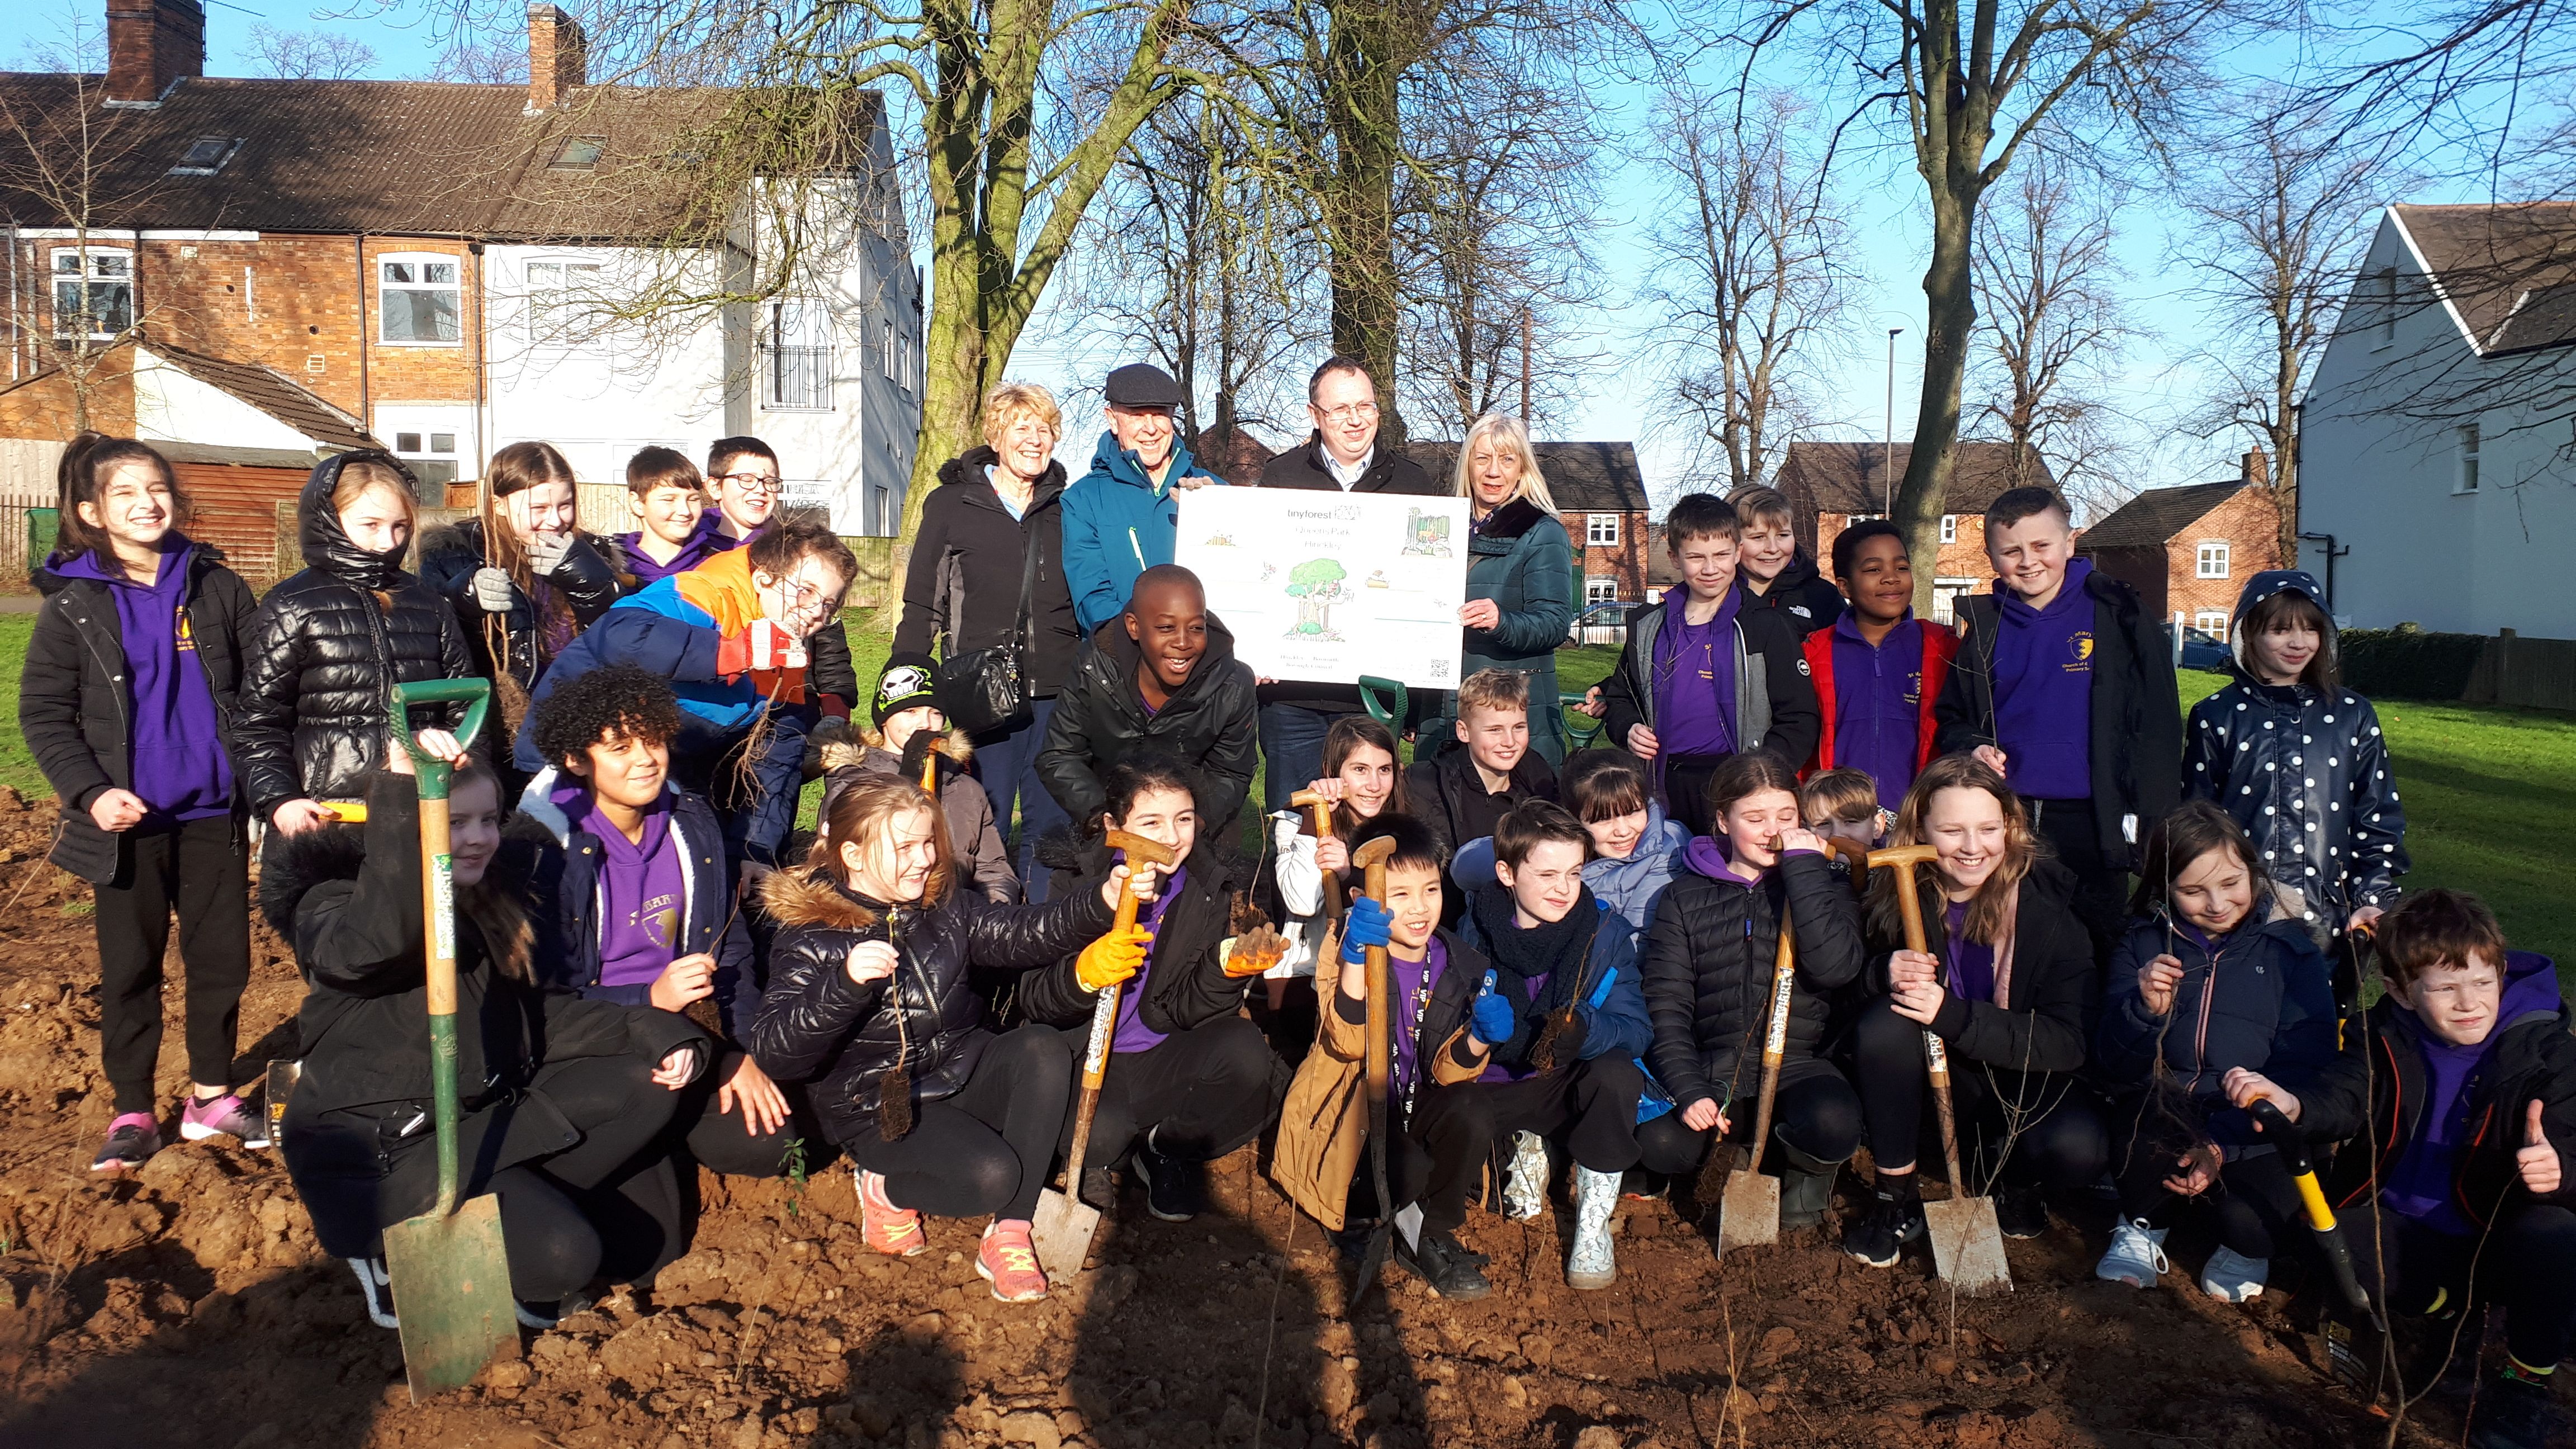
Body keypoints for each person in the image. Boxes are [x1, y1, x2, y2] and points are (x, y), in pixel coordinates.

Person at [269, 749, 709, 1327]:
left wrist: (651, 1025)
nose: (478, 838)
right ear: (406, 822)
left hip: (467, 1128)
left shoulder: (488, 902)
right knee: (563, 1258)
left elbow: (532, 1018)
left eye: (487, 820)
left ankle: (519, 1213)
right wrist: (405, 797)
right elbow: (368, 950)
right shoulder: (333, 903)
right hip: (377, 1156)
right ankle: (383, 1251)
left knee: (644, 1084)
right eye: (454, 822)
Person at [748, 776, 1148, 1301]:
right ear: (854, 854)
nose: (925, 859)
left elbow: (1020, 934)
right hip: (878, 1106)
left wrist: (1101, 900)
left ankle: (1010, 1233)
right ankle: (884, 1187)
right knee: (990, 1175)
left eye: (929, 842)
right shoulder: (810, 935)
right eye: (906, 847)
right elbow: (777, 1052)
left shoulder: (945, 907)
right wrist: (843, 986)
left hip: (962, 1068)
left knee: (1042, 1048)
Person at [2229, 890, 2575, 1449]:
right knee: (2332, 1236)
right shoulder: (2384, 1033)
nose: (2470, 1003)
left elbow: (2572, 1149)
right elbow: (2343, 1093)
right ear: (2401, 991)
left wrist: (2558, 1171)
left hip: (2499, 1238)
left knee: (2556, 1234)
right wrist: (2295, 1105)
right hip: (2414, 1240)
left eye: (2483, 982)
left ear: (2501, 973)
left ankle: (2524, 1382)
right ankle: (2448, 1316)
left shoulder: (2549, 1050)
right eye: (2444, 988)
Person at [22, 435, 262, 1172]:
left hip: (212, 816)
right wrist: (91, 794)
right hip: (128, 829)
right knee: (132, 966)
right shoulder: (76, 608)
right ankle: (132, 1109)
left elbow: (257, 697)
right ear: (93, 511)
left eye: (156, 488)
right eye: (126, 494)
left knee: (221, 960)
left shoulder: (217, 587)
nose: (147, 503)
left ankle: (211, 1097)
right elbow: (44, 714)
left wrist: (260, 788)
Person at [518, 666, 809, 1209]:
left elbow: (733, 949)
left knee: (774, 1143)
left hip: (688, 1030)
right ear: (578, 760)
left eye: (652, 739)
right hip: (596, 1042)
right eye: (620, 747)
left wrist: (739, 1053)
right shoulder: (545, 852)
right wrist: (646, 1001)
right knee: (643, 1115)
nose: (645, 758)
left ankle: (664, 1128)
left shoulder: (691, 823)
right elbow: (541, 1000)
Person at [1842, 754, 2109, 1268]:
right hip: (1933, 1089)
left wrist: (1954, 1016)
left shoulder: (2051, 907)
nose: (1972, 847)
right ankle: (1896, 1198)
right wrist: (1880, 973)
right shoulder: (1894, 890)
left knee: (2078, 1147)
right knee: (1885, 1024)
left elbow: (2068, 1041)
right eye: (1951, 830)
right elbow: (1839, 998)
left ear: (2010, 825)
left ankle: (2014, 1181)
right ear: (1919, 827)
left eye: (1988, 828)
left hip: (2022, 1086)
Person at [1021, 755, 1286, 1222]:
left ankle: (1165, 1147)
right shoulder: (1074, 880)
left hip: (1159, 1050)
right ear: (1113, 825)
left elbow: (1184, 1009)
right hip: (1086, 1052)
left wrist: (1226, 968)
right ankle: (1102, 1154)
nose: (1170, 837)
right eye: (1151, 821)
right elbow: (1035, 998)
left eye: (1184, 819)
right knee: (1102, 1133)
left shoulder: (1206, 886)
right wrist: (1082, 973)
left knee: (1248, 1055)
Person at [2092, 802, 2337, 1301]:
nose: (2217, 903)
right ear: (2164, 888)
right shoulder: (2141, 945)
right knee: (2142, 1126)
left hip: (2253, 1119)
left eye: (2230, 883)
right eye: (2193, 890)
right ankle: (2143, 1224)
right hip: (2168, 1103)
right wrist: (2145, 1013)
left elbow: (2307, 1067)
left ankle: (2242, 1244)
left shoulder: (2293, 953)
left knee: (2252, 1222)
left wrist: (2224, 1145)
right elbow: (2113, 1065)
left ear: (2252, 870)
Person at [515, 515, 856, 868]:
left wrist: (756, 852)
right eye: (805, 591)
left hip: (665, 763)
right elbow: (621, 635)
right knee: (568, 877)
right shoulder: (705, 594)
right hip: (573, 755)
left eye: (828, 605)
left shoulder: (785, 649)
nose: (815, 612)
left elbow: (778, 756)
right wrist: (729, 652)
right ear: (763, 579)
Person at [1934, 486, 2179, 965]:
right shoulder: (1984, 627)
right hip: (2011, 821)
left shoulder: (2117, 615)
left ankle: (2097, 1039)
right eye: (2012, 551)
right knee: (2019, 947)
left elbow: (2158, 725)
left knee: (2099, 947)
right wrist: (1975, 748)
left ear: (2071, 543)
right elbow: (1954, 719)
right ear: (1991, 555)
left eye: (2042, 546)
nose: (2028, 561)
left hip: (2096, 820)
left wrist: (2152, 817)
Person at [1268, 815, 1503, 1300]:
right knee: (1406, 1169)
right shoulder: (1344, 950)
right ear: (1365, 901)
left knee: (1475, 1110)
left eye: (1431, 890)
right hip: (1352, 1120)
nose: (1419, 909)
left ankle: (1431, 1230)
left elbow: (1449, 1072)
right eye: (1399, 896)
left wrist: (1478, 1038)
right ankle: (1356, 1217)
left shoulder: (1454, 962)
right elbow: (1349, 1041)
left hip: (1415, 1111)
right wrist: (1356, 957)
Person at [1637, 752, 1866, 1233]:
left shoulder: (1824, 885)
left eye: (1786, 817)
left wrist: (1804, 874)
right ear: (1723, 820)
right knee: (1662, 1143)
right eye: (1755, 818)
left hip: (1800, 1065)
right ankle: (1737, 1150)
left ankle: (1804, 1180)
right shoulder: (1684, 897)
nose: (1772, 831)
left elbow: (1836, 968)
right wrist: (1689, 1089)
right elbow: (1667, 1004)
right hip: (1718, 1064)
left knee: (1832, 1121)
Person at [1450, 801, 1653, 1290]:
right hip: (1495, 1082)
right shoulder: (1472, 930)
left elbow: (1635, 1028)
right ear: (1506, 873)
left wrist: (1587, 1028)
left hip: (1563, 1078)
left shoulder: (1604, 933)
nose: (1563, 889)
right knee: (1460, 1154)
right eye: (1546, 875)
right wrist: (1478, 1030)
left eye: (1575, 873)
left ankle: (1592, 1223)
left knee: (1617, 1074)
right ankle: (1520, 1146)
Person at [893, 383, 1081, 895]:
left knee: (1049, 823)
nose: (1035, 439)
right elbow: (922, 601)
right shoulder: (953, 504)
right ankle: (981, 926)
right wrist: (904, 687)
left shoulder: (1070, 508)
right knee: (982, 815)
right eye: (1023, 428)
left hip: (1058, 692)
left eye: (1045, 429)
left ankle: (1040, 930)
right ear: (996, 436)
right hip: (983, 691)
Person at [235, 452, 472, 839]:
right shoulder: (294, 605)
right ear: (329, 519)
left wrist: (466, 778)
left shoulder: (429, 603)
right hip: (324, 817)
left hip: (423, 808)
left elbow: (463, 707)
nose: (388, 541)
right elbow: (258, 721)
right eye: (371, 525)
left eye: (399, 526)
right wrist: (279, 800)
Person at [1252, 357, 1445, 812]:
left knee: (1368, 822)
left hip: (1372, 698)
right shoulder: (1280, 478)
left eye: (1365, 406)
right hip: (1292, 699)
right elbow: (1261, 574)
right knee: (1294, 821)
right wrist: (1256, 652)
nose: (1355, 419)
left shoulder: (1414, 483)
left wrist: (1418, 701)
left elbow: (1427, 589)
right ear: (1315, 415)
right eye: (1340, 409)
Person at [2183, 569, 2407, 952]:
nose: (2298, 643)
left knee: (2321, 1011)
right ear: (2249, 632)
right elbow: (2196, 820)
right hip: (2240, 914)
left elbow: (2377, 815)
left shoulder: (2352, 715)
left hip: (2332, 918)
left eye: (2310, 629)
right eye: (2281, 630)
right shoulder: (2217, 715)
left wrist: (2374, 895)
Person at [1598, 493, 1821, 837]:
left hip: (1741, 782)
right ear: (1674, 558)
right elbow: (1620, 697)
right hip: (1665, 782)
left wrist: (1764, 776)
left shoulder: (1764, 626)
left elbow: (1799, 717)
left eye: (1720, 555)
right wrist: (1627, 728)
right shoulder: (1648, 627)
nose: (1710, 568)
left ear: (1738, 553)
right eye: (1696, 558)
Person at [1038, 564, 1260, 855]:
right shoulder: (1093, 668)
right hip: (1107, 824)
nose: (1182, 642)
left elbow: (1231, 772)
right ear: (1134, 627)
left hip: (1193, 832)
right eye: (1166, 628)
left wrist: (1190, 824)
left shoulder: (1233, 684)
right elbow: (1060, 755)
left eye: (1196, 628)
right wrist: (1107, 820)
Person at [422, 440, 629, 699]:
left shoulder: (594, 553)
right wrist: (464, 600)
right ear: (499, 505)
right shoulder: (455, 553)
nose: (555, 521)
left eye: (565, 505)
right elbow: (431, 642)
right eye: (538, 508)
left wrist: (597, 588)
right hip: (507, 718)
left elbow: (625, 643)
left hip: (585, 710)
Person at [1433, 414, 1574, 765]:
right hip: (1446, 708)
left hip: (1513, 710)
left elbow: (1556, 622)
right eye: (1483, 459)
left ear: (1522, 468)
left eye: (1507, 459)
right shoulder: (1438, 531)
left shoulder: (1542, 532)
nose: (1494, 471)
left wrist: (1502, 622)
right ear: (1468, 464)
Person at [823, 653, 1019, 903]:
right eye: (911, 711)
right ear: (885, 719)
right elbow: (834, 872)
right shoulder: (852, 786)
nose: (925, 723)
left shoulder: (965, 788)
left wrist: (995, 910)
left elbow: (992, 868)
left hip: (960, 921)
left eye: (935, 713)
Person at [700, 435, 863, 728]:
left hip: (791, 701)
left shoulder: (802, 549)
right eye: (747, 479)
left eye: (770, 482)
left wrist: (836, 709)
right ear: (715, 486)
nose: (760, 491)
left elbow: (828, 641)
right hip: (715, 702)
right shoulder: (694, 554)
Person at [1452, 749, 1684, 949]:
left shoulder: (1666, 850)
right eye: (1604, 819)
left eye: (1633, 812)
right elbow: (1463, 868)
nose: (1623, 831)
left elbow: (1637, 944)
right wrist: (1528, 856)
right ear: (1575, 820)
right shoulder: (1563, 845)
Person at [1263, 714, 1408, 1032]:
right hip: (1311, 973)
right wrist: (1316, 821)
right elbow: (1301, 902)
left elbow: (1408, 907)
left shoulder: (1404, 827)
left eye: (1384, 770)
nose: (1374, 785)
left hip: (1390, 970)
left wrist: (1351, 874)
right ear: (1332, 774)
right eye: (1360, 770)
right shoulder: (1296, 823)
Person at [1803, 519, 1956, 812]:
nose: (1891, 578)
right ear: (1844, 586)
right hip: (1840, 820)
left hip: (1922, 817)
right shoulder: (1815, 652)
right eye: (1874, 570)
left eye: (1901, 568)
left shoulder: (1942, 647)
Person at [1059, 364, 1221, 638]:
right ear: (1113, 419)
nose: (1150, 428)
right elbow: (1092, 598)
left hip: (1207, 664)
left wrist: (1218, 518)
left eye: (1159, 414)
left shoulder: (1214, 491)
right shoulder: (1083, 500)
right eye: (1137, 415)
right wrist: (1144, 643)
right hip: (1128, 665)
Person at [1404, 668, 1560, 914]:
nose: (1510, 741)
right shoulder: (1424, 784)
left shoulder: (1539, 783)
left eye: (1519, 727)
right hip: (1443, 920)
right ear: (1463, 732)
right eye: (1495, 730)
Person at [1729, 485, 1843, 635]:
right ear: (1732, 540)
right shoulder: (1714, 594)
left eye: (1783, 535)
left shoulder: (1822, 598)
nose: (1773, 548)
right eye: (1758, 537)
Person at [614, 446, 724, 586]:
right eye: (669, 500)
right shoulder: (610, 568)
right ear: (637, 504)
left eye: (693, 499)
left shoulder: (717, 566)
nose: (685, 511)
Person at [1800, 767, 1886, 852]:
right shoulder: (1795, 864)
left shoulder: (1897, 864)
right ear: (1806, 830)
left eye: (1851, 821)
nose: (1837, 835)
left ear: (1877, 827)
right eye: (1823, 824)